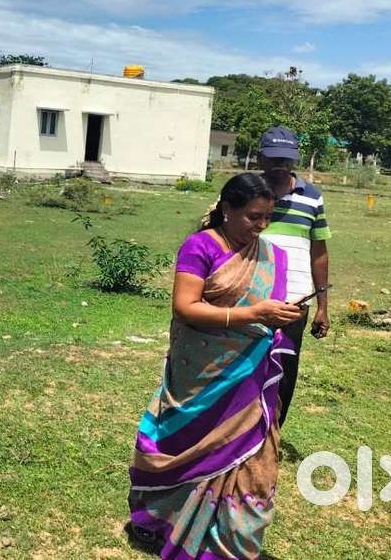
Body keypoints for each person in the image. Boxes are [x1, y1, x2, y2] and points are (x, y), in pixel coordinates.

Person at [127, 173, 302, 560]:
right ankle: (165, 522)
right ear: (227, 209)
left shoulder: (270, 256)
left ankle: (227, 546)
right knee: (186, 444)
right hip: (201, 375)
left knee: (253, 464)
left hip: (249, 380)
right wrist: (253, 312)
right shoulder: (200, 246)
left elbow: (264, 304)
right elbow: (185, 307)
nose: (261, 226)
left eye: (267, 217)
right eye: (252, 217)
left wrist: (282, 314)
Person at [258, 126, 332, 426]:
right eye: (274, 159)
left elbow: (319, 252)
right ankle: (236, 435)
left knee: (285, 368)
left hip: (295, 301)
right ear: (261, 157)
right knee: (242, 366)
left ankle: (272, 433)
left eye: (286, 160)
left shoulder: (311, 197)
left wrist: (324, 306)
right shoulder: (247, 190)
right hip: (249, 297)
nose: (280, 166)